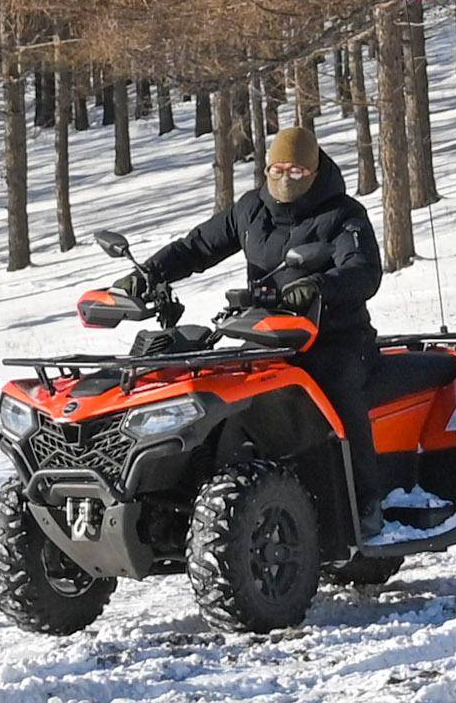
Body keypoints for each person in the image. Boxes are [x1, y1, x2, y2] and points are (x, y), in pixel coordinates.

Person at [135, 123, 391, 461]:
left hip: (335, 339)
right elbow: (196, 247)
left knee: (340, 389)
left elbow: (363, 270)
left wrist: (319, 287)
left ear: (314, 171)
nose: (286, 178)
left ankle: (367, 501)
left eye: (297, 170)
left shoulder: (342, 213)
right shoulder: (251, 209)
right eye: (278, 169)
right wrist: (147, 275)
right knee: (217, 389)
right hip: (265, 335)